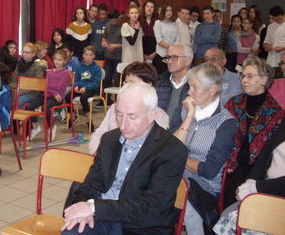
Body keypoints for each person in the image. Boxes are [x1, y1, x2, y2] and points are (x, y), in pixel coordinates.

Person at [62, 82, 188, 235]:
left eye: (132, 116)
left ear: (152, 115)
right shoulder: (109, 139)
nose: (123, 124)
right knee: (71, 231)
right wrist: (82, 207)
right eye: (119, 114)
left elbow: (152, 206)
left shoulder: (172, 150)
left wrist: (94, 207)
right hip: (101, 217)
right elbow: (91, 183)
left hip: (140, 226)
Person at [171, 63, 236, 235]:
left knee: (178, 190)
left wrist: (177, 159)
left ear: (213, 88)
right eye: (189, 86)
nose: (188, 92)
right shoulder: (183, 111)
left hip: (204, 186)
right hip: (175, 176)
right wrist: (189, 117)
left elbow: (208, 170)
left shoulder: (226, 123)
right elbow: (169, 149)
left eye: (195, 88)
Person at [223, 56, 284, 208]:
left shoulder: (276, 112)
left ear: (264, 79)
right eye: (243, 76)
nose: (244, 80)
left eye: (250, 76)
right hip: (231, 164)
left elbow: (270, 153)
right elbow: (222, 136)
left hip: (258, 170)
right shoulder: (233, 104)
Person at [213, 121, 284, 235]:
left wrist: (256, 188)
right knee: (229, 213)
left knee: (235, 219)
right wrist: (250, 182)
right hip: (266, 193)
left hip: (278, 200)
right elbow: (265, 154)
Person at [89, 62, 169, 155]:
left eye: (132, 83)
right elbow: (100, 133)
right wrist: (96, 152)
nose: (127, 88)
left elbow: (153, 150)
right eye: (125, 83)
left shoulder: (160, 116)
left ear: (148, 85)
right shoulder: (115, 108)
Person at [155, 44, 193, 127]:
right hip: (159, 132)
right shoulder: (159, 83)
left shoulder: (197, 86)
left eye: (174, 57)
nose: (169, 61)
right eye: (168, 57)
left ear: (188, 60)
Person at [65, 46, 101, 132]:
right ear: (83, 55)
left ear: (93, 56)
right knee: (67, 97)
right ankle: (72, 116)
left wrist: (86, 88)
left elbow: (96, 83)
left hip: (91, 88)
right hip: (80, 87)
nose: (88, 57)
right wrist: (76, 86)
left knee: (83, 98)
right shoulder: (79, 66)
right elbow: (76, 79)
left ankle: (89, 120)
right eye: (86, 55)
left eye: (90, 55)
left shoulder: (96, 68)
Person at [11, 42, 45, 111]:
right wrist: (14, 89)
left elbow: (37, 84)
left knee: (18, 102)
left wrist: (20, 92)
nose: (24, 54)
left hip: (32, 93)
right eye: (23, 52)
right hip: (18, 90)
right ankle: (20, 119)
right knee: (7, 99)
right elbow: (14, 79)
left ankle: (19, 119)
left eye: (27, 52)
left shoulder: (37, 66)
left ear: (33, 54)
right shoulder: (19, 64)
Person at [153, 4, 179, 74]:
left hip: (172, 56)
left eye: (170, 10)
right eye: (167, 10)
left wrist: (173, 50)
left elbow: (177, 39)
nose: (169, 12)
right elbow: (159, 41)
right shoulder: (158, 23)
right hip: (161, 55)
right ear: (163, 12)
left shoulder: (174, 24)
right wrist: (171, 48)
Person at [101, 8, 122, 90]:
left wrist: (115, 46)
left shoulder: (123, 26)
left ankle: (118, 99)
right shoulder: (107, 25)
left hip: (118, 57)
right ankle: (107, 99)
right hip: (108, 56)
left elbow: (126, 44)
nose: (112, 23)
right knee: (107, 78)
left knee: (117, 79)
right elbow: (104, 37)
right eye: (111, 21)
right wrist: (104, 42)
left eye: (114, 21)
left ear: (118, 18)